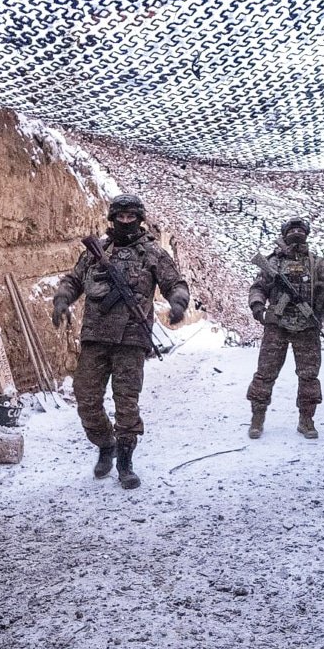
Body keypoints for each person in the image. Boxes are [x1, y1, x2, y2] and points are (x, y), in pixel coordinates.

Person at [52, 194, 190, 489]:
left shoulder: (153, 254)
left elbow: (174, 283)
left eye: (131, 216)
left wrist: (178, 304)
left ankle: (125, 461)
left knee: (126, 404)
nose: (125, 221)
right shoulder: (96, 251)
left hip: (131, 339)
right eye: (121, 216)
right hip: (95, 337)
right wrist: (62, 300)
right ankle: (106, 445)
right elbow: (74, 280)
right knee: (86, 399)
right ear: (112, 218)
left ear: (139, 219)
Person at [245, 218, 324, 439]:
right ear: (284, 234)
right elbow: (258, 288)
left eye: (300, 230)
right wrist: (258, 307)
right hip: (277, 326)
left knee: (309, 376)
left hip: (307, 326)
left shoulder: (317, 263)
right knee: (265, 374)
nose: (296, 233)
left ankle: (306, 420)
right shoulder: (272, 262)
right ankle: (257, 418)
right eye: (292, 230)